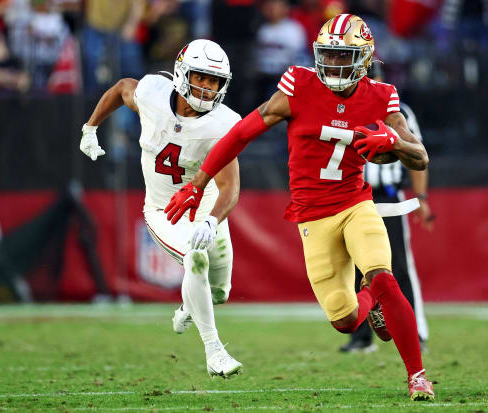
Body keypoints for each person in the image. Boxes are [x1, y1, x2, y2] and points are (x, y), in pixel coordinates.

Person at [165, 14, 435, 400]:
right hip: (313, 216)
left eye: (344, 56)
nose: (335, 64)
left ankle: (417, 376)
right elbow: (241, 133)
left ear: (364, 58)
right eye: (329, 55)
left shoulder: (381, 96)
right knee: (344, 321)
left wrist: (393, 141)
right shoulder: (298, 87)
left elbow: (420, 157)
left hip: (357, 203)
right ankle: (369, 300)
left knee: (383, 276)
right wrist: (198, 183)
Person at [79, 39, 243, 378]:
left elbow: (230, 187)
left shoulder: (223, 123)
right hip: (163, 210)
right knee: (195, 259)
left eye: (214, 82)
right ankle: (214, 351)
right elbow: (122, 88)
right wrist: (91, 127)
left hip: (206, 204)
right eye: (201, 78)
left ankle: (189, 304)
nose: (208, 88)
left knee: (221, 293)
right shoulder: (154, 94)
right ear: (183, 73)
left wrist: (211, 220)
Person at [339, 69, 432, 352]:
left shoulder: (399, 110)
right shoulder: (343, 109)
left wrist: (421, 197)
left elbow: (418, 153)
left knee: (399, 266)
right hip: (353, 197)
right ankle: (361, 336)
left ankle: (415, 332)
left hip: (389, 196)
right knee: (355, 268)